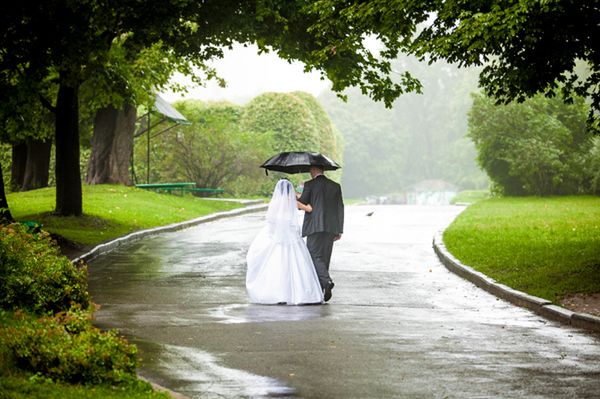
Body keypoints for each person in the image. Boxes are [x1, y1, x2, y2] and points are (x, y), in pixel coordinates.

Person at [246, 179, 324, 305]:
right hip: (292, 237)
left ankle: (276, 293)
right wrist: (300, 195)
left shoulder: (275, 202)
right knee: (296, 264)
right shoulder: (292, 202)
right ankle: (299, 294)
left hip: (277, 238)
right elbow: (309, 209)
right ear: (290, 190)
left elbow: (271, 222)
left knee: (276, 264)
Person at [297, 165, 344, 302]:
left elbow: (303, 203)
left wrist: (299, 191)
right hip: (331, 228)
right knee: (324, 257)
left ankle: (326, 282)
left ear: (313, 170)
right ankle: (322, 290)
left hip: (314, 227)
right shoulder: (335, 186)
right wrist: (339, 229)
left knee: (313, 255)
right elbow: (340, 208)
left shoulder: (309, 184)